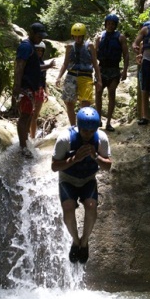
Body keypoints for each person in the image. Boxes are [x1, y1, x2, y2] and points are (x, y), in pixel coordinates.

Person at [51, 107, 112, 264]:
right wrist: (74, 159)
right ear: (78, 126)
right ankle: (75, 241)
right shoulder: (65, 139)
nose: (88, 134)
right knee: (68, 208)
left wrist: (95, 156)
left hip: (88, 179)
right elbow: (54, 166)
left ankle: (84, 242)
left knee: (91, 205)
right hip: (68, 179)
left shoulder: (101, 139)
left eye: (92, 131)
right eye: (85, 131)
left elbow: (107, 166)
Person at [56, 23, 102, 127]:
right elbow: (65, 63)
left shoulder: (90, 46)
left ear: (83, 36)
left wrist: (99, 80)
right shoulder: (69, 47)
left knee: (85, 104)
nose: (77, 38)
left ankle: (83, 126)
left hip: (86, 76)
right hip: (71, 75)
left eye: (79, 36)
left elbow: (95, 63)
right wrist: (59, 77)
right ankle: (73, 126)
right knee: (69, 102)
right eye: (75, 36)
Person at [13, 22, 48, 158]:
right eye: (39, 35)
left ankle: (25, 141)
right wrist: (16, 86)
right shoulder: (26, 46)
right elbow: (19, 66)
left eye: (42, 36)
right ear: (32, 33)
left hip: (31, 88)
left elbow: (33, 68)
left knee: (28, 115)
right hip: (25, 87)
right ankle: (22, 147)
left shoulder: (31, 47)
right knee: (25, 116)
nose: (41, 38)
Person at [95, 14, 129, 132]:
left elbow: (126, 54)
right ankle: (98, 119)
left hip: (114, 69)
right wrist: (95, 70)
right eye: (108, 23)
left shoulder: (121, 37)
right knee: (98, 92)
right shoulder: (99, 37)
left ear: (115, 25)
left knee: (112, 92)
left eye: (112, 24)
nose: (110, 26)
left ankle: (108, 122)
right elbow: (94, 55)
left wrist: (125, 70)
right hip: (102, 68)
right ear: (105, 24)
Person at [30, 41, 56, 139]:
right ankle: (27, 136)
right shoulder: (30, 62)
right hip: (31, 90)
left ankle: (32, 137)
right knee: (29, 115)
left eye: (41, 50)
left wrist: (45, 91)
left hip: (40, 91)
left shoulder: (42, 63)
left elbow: (43, 79)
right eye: (37, 50)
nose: (39, 52)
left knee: (35, 116)